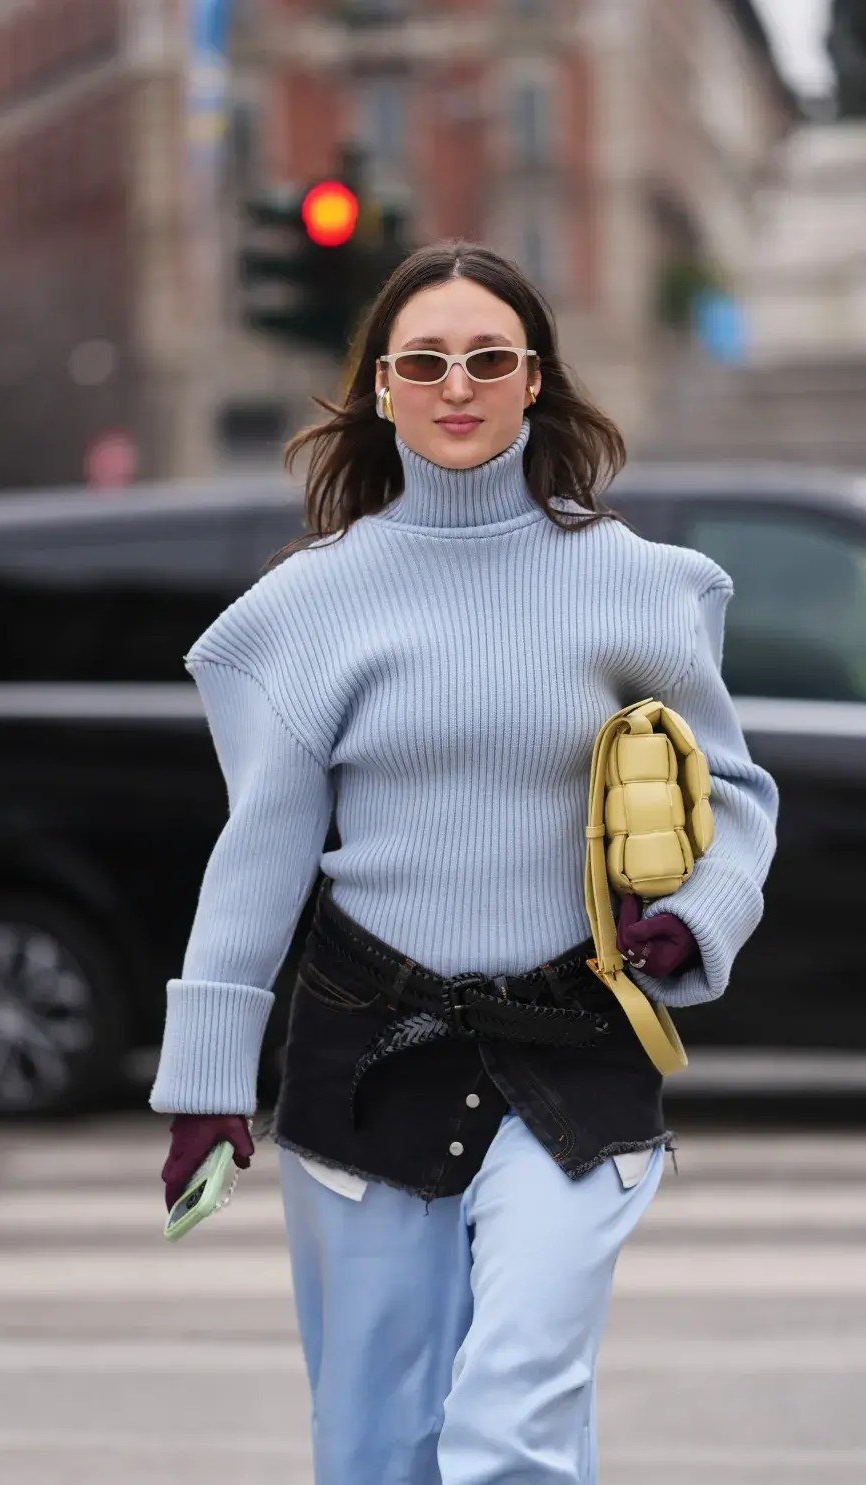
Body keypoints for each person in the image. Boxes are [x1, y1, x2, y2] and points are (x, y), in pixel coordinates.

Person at [152, 241, 778, 1485]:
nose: (457, 384)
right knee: (379, 1450)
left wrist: (698, 915)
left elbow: (740, 793)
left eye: (489, 358)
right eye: (424, 361)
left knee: (511, 1429)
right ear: (380, 386)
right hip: (366, 1058)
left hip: (574, 1054)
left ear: (534, 379)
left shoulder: (642, 587)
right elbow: (262, 849)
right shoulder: (305, 610)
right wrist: (207, 1078)